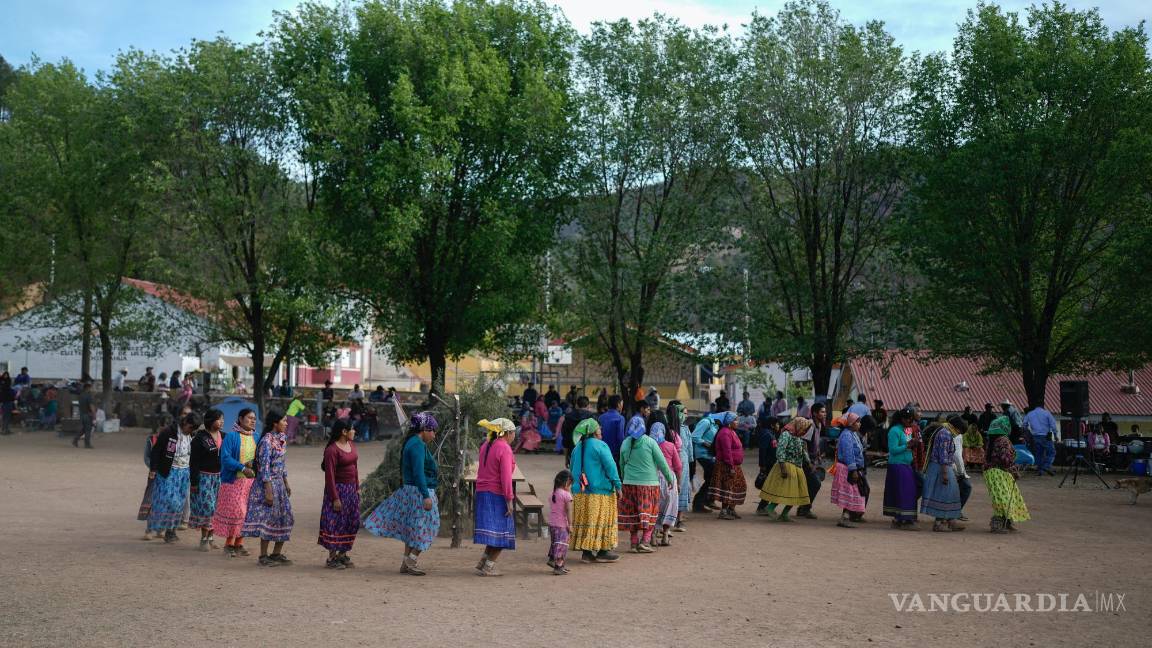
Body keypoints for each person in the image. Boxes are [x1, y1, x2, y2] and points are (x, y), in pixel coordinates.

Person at [365, 413, 443, 575]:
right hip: (419, 491)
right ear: (424, 429)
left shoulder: (413, 442)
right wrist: (425, 495)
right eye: (433, 431)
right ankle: (411, 560)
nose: (434, 435)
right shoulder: (417, 445)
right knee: (429, 526)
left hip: (412, 490)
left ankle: (406, 563)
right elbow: (418, 472)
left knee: (413, 529)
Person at [242, 411, 295, 567]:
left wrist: (286, 482)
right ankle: (263, 556)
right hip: (268, 484)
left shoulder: (281, 439)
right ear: (275, 423)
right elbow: (264, 468)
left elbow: (282, 463)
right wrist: (268, 490)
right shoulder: (266, 441)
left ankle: (276, 554)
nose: (286, 423)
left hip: (279, 484)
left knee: (285, 517)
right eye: (284, 421)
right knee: (268, 519)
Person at [618, 413, 675, 553]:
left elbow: (621, 464)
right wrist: (669, 479)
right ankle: (645, 541)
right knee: (649, 513)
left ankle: (633, 543)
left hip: (629, 484)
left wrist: (625, 479)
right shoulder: (650, 442)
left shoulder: (625, 443)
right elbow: (662, 463)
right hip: (649, 485)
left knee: (633, 514)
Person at [569, 418, 623, 563]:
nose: (601, 430)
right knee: (602, 520)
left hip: (580, 492)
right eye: (599, 428)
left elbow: (572, 467)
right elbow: (611, 467)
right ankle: (603, 551)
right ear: (594, 431)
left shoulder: (577, 447)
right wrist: (618, 485)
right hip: (600, 492)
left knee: (587, 521)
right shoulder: (601, 446)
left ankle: (586, 553)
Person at [213, 408, 260, 558]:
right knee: (237, 512)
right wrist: (241, 467)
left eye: (254, 418)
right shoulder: (231, 437)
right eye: (249, 418)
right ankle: (228, 544)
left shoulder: (256, 437)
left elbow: (259, 457)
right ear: (240, 419)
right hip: (233, 481)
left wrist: (252, 464)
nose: (253, 420)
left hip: (250, 482)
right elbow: (225, 459)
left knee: (246, 513)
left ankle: (239, 544)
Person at [474, 418, 517, 576]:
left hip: (482, 492)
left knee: (493, 532)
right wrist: (509, 499)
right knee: (502, 532)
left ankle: (483, 561)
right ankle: (489, 566)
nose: (514, 436)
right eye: (513, 433)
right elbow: (506, 477)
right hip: (496, 493)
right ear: (507, 433)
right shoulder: (504, 448)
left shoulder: (486, 444)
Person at [148, 413, 197, 543]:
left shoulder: (191, 435)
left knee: (179, 503)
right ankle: (157, 527)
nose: (190, 431)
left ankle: (171, 531)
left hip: (184, 472)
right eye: (190, 427)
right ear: (185, 422)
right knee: (168, 500)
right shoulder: (168, 433)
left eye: (193, 429)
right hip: (168, 471)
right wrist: (153, 469)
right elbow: (156, 451)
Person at [320, 419, 362, 570]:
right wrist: (335, 498)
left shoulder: (351, 445)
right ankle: (332, 557)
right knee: (335, 522)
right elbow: (329, 476)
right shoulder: (332, 450)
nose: (354, 431)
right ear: (344, 432)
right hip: (338, 490)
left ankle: (343, 554)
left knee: (352, 521)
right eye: (352, 429)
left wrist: (357, 487)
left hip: (351, 490)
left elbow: (355, 468)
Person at [758, 418, 812, 522]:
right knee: (783, 491)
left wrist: (809, 463)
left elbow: (804, 453)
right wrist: (783, 467)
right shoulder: (786, 435)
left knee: (796, 493)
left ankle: (785, 514)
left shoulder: (799, 438)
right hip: (786, 466)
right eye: (804, 429)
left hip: (797, 468)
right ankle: (770, 508)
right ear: (798, 426)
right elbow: (780, 450)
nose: (805, 431)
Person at [985, 416, 1030, 533]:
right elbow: (1006, 460)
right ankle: (998, 524)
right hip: (1000, 473)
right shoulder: (1004, 441)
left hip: (991, 473)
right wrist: (1015, 471)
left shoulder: (992, 440)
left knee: (1000, 498)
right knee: (1005, 499)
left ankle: (1006, 522)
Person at [920, 417, 966, 532]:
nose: (959, 434)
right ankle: (938, 523)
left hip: (942, 466)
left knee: (950, 494)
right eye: (960, 431)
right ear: (956, 428)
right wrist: (945, 474)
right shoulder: (945, 434)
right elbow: (944, 455)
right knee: (944, 495)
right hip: (941, 467)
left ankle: (951, 521)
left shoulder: (944, 431)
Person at [189, 409, 225, 551]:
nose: (222, 422)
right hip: (204, 477)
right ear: (210, 420)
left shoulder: (224, 436)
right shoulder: (200, 438)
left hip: (219, 477)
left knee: (215, 508)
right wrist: (194, 481)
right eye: (218, 419)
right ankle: (204, 539)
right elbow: (194, 462)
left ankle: (210, 538)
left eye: (222, 419)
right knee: (207, 508)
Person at [883, 408, 920, 530]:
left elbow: (909, 444)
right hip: (897, 465)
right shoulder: (894, 431)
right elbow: (893, 450)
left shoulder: (907, 430)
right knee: (902, 492)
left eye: (911, 419)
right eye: (907, 419)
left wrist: (914, 444)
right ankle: (901, 519)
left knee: (908, 492)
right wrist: (907, 445)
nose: (910, 421)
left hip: (907, 465)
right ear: (901, 419)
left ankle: (903, 519)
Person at [830, 412, 867, 528]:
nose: (860, 424)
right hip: (847, 469)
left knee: (852, 494)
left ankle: (845, 517)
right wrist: (853, 470)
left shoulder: (852, 434)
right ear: (851, 423)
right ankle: (845, 518)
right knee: (851, 493)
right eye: (858, 422)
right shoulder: (847, 435)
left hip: (850, 468)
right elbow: (848, 453)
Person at [708, 413, 746, 521]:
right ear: (729, 422)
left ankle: (731, 509)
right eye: (735, 420)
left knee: (738, 486)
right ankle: (724, 511)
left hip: (734, 464)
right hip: (727, 465)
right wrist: (731, 466)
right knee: (727, 487)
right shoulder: (725, 433)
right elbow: (727, 451)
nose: (738, 422)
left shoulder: (731, 432)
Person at [651, 418, 681, 545]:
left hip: (652, 478)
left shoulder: (649, 445)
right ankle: (665, 537)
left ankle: (652, 536)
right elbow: (678, 467)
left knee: (654, 507)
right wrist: (678, 483)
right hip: (669, 478)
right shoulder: (670, 446)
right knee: (670, 506)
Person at [690, 412, 726, 512]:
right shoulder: (706, 422)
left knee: (710, 477)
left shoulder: (716, 425)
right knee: (712, 478)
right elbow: (694, 436)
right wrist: (706, 444)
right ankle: (698, 503)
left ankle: (708, 500)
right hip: (703, 454)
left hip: (710, 455)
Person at [796, 402, 826, 519]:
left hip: (812, 460)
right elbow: (803, 444)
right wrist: (808, 462)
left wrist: (818, 454)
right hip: (805, 460)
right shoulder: (811, 425)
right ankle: (804, 508)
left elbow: (814, 443)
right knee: (815, 483)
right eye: (822, 412)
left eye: (825, 412)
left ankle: (803, 508)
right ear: (814, 413)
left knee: (810, 484)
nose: (824, 414)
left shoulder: (819, 426)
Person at [667, 401, 693, 532]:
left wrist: (690, 460)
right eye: (684, 413)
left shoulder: (685, 428)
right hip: (674, 463)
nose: (686, 416)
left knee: (682, 489)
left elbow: (689, 447)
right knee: (674, 489)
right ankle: (670, 520)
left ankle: (680, 519)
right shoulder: (670, 429)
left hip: (684, 463)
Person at [547, 470, 573, 575]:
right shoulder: (566, 495)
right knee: (562, 544)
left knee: (555, 543)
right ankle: (558, 566)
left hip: (552, 524)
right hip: (562, 524)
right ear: (567, 482)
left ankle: (555, 562)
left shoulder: (553, 493)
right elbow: (568, 511)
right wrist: (570, 524)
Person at [754, 416, 781, 515]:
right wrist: (762, 465)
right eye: (777, 424)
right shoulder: (766, 434)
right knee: (769, 486)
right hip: (768, 465)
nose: (779, 426)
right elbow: (762, 450)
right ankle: (761, 508)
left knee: (769, 486)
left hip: (772, 464)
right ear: (772, 425)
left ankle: (763, 507)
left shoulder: (771, 434)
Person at [1023, 402, 1059, 476]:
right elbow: (1053, 425)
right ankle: (1046, 466)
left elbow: (1024, 424)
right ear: (1043, 406)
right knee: (1052, 452)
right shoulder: (1047, 413)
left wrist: (1027, 432)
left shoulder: (1030, 414)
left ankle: (1040, 471)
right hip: (1046, 436)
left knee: (1039, 454)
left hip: (1035, 436)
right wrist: (1055, 435)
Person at [949, 416, 973, 521]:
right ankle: (954, 513)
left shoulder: (953, 433)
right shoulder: (956, 435)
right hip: (953, 468)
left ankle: (953, 513)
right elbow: (957, 455)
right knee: (966, 487)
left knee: (956, 490)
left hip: (951, 467)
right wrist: (962, 472)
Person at [561, 395, 594, 466]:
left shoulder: (568, 417)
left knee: (574, 475)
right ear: (588, 405)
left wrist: (566, 458)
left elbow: (565, 439)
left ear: (576, 405)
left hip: (573, 451)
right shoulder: (592, 418)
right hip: (589, 452)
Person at [598, 395, 626, 465]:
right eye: (622, 403)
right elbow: (620, 438)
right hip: (614, 454)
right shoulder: (620, 418)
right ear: (618, 404)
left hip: (602, 452)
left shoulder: (601, 417)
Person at [70, 382, 96, 448]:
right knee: (88, 429)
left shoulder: (81, 395)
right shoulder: (88, 396)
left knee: (84, 429)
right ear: (88, 388)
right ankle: (87, 444)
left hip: (82, 414)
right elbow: (91, 406)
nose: (91, 389)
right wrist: (94, 415)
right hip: (88, 414)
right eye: (91, 388)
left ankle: (75, 440)